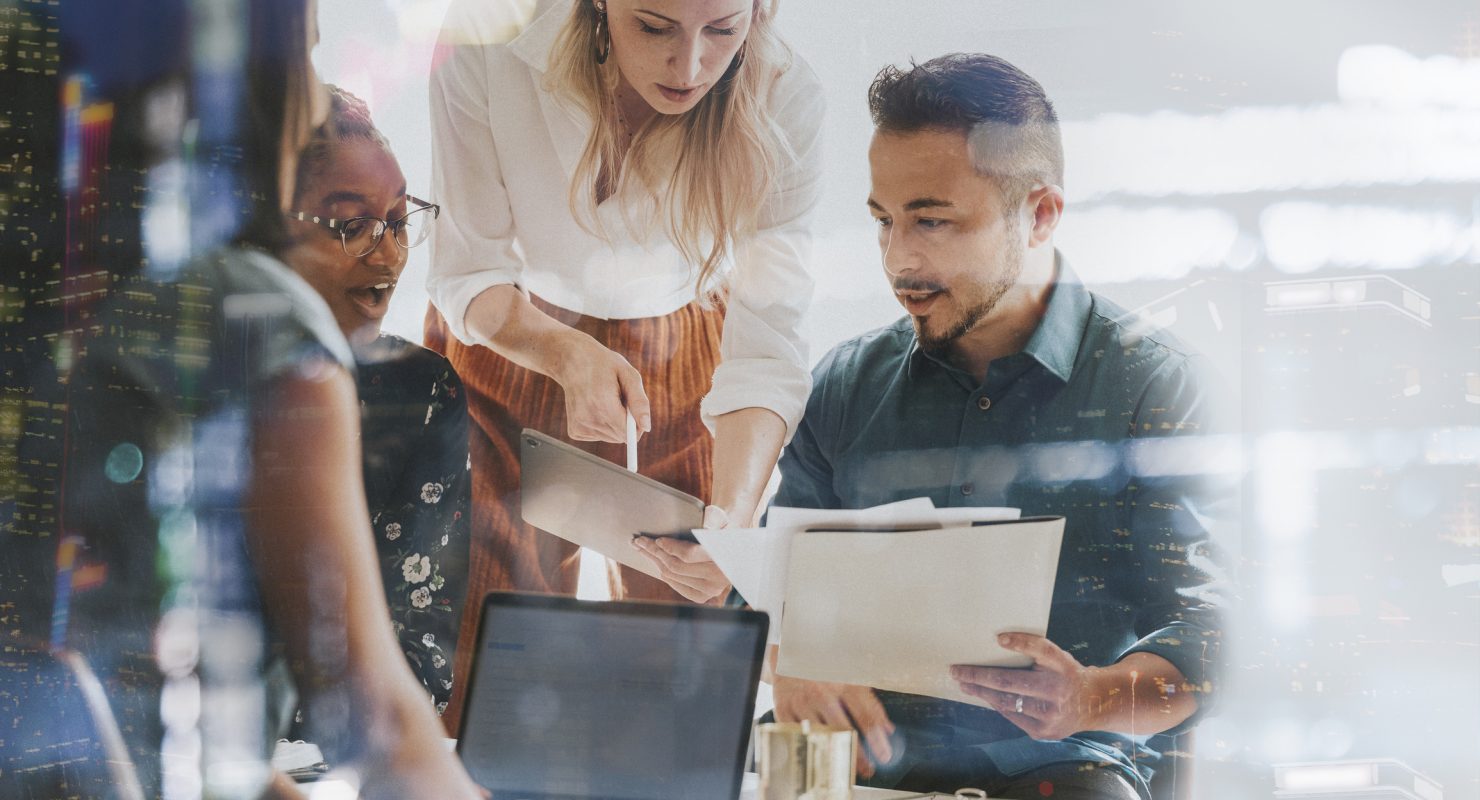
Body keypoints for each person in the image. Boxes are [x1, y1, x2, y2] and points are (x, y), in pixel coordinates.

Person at [767, 53, 1231, 799]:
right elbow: (766, 584)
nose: (898, 260)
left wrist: (1091, 697)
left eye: (932, 221)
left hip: (1061, 772)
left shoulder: (1153, 383)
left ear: (1040, 213)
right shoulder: (846, 384)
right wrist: (790, 656)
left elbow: (1213, 634)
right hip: (857, 768)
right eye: (884, 221)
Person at [58, 1, 485, 796]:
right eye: (307, 44)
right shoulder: (257, 325)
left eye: (398, 221)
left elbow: (136, 713)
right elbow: (380, 724)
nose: (384, 252)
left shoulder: (66, 281)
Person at [425, 0, 823, 726]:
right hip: (509, 339)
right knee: (476, 674)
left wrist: (733, 524)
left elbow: (767, 348)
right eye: (653, 25)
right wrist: (564, 352)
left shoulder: (787, 97)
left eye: (723, 30)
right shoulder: (487, 32)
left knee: (683, 691)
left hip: (693, 363)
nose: (691, 66)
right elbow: (464, 272)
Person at [282, 85, 470, 722]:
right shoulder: (164, 376)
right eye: (352, 226)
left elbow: (423, 657)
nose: (389, 256)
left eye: (397, 221)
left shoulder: (421, 392)